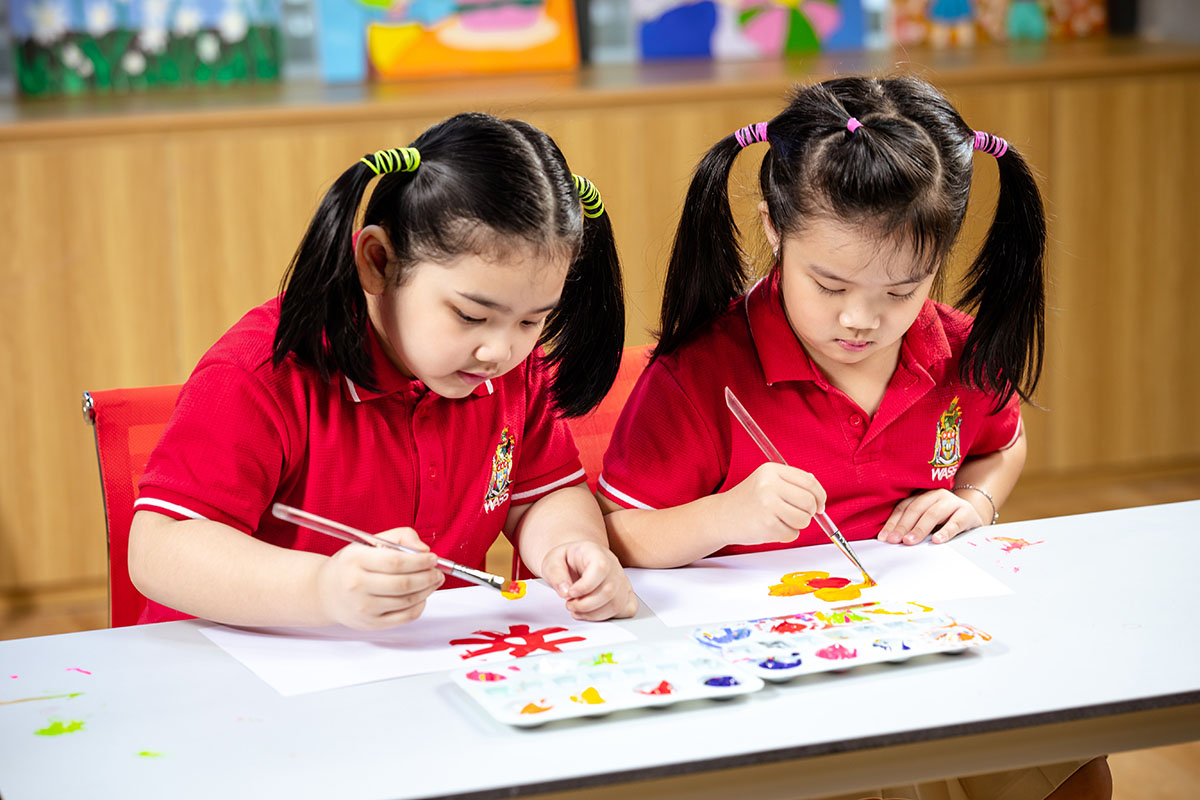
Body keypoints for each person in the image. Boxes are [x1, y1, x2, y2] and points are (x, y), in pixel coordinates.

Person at [597, 76, 1110, 798]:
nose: (861, 321)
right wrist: (724, 517)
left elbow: (1001, 443)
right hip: (763, 674)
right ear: (774, 227)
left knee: (1073, 762)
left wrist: (976, 502)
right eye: (830, 286)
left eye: (902, 291)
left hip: (919, 647)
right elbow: (615, 536)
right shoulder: (700, 374)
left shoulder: (960, 352)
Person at [129, 112, 637, 630]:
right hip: (244, 660)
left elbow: (544, 494)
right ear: (378, 261)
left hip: (417, 660)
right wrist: (322, 590)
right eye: (470, 316)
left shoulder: (509, 371)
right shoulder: (263, 372)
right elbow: (158, 549)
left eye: (531, 320)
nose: (498, 351)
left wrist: (572, 548)